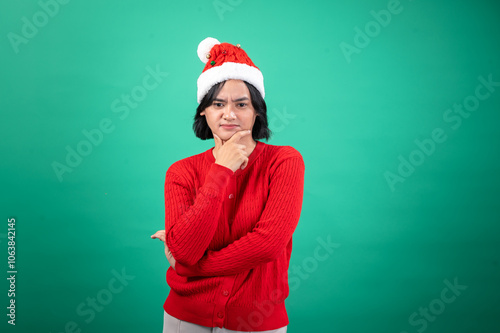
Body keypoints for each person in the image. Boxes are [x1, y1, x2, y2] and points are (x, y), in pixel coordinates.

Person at [151, 37, 305, 333]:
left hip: (257, 321)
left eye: (241, 104)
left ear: (257, 111)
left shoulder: (284, 161)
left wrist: (188, 269)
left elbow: (267, 244)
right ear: (203, 112)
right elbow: (185, 249)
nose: (229, 114)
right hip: (185, 319)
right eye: (218, 104)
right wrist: (222, 169)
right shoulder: (181, 172)